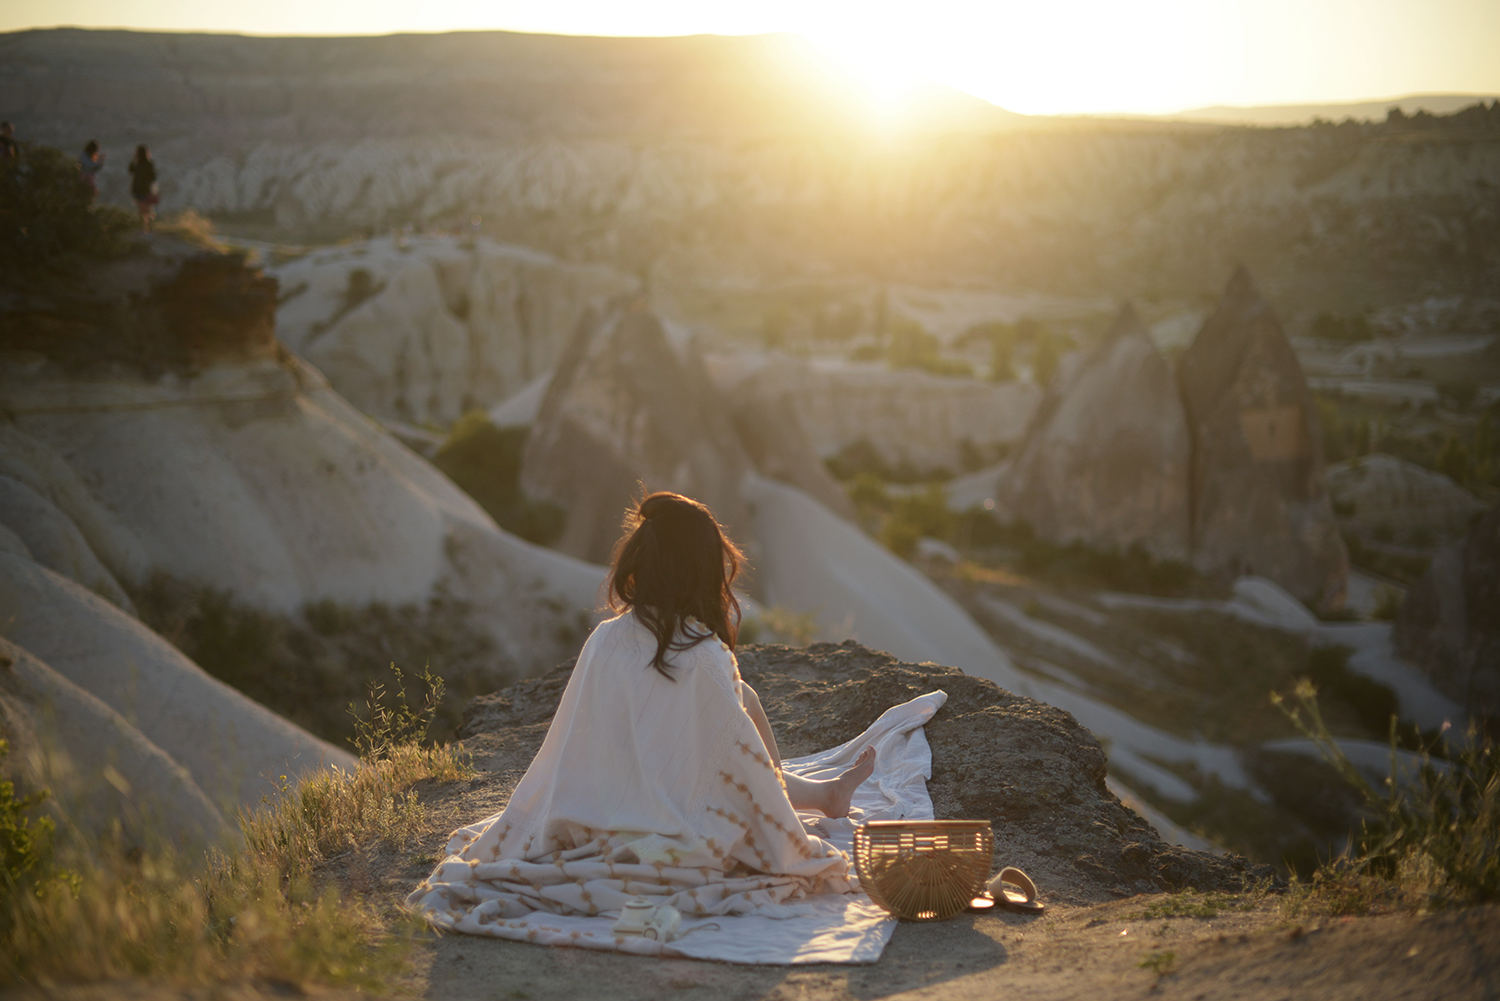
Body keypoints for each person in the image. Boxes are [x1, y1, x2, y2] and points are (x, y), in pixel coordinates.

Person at [409, 492, 878, 939]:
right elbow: (739, 783)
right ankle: (822, 797)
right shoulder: (703, 655)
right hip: (661, 843)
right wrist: (783, 833)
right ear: (705, 570)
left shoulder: (607, 638)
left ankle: (823, 793)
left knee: (743, 702)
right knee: (738, 767)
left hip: (594, 816)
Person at [128, 144, 158, 230]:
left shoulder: (139, 165)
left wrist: (134, 160)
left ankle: (144, 229)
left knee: (142, 212)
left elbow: (130, 170)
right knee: (147, 211)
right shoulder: (148, 164)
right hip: (145, 190)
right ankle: (148, 229)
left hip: (139, 190)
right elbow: (153, 177)